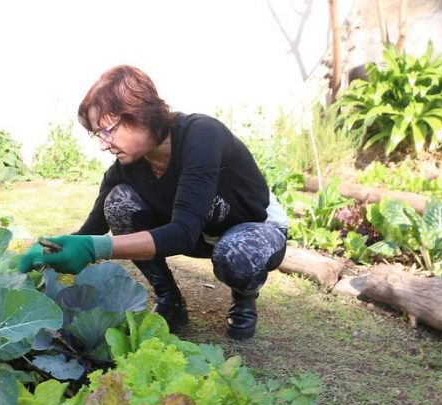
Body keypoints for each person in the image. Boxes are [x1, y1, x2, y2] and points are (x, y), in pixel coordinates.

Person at [19, 65, 288, 340]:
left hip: (253, 229)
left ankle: (244, 296)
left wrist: (94, 249)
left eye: (108, 130)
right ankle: (169, 299)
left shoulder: (202, 135)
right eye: (97, 134)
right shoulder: (127, 167)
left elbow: (182, 234)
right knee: (118, 203)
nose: (103, 143)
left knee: (237, 255)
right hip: (199, 233)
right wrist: (49, 252)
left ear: (141, 114)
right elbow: (92, 230)